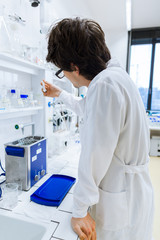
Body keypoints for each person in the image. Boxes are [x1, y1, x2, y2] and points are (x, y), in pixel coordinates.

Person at [41, 18, 154, 240]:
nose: (64, 75)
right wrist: (59, 94)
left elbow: (95, 155)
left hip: (121, 195)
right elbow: (87, 109)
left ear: (74, 66)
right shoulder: (113, 78)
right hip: (131, 191)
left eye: (62, 70)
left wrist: (79, 210)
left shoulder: (105, 85)